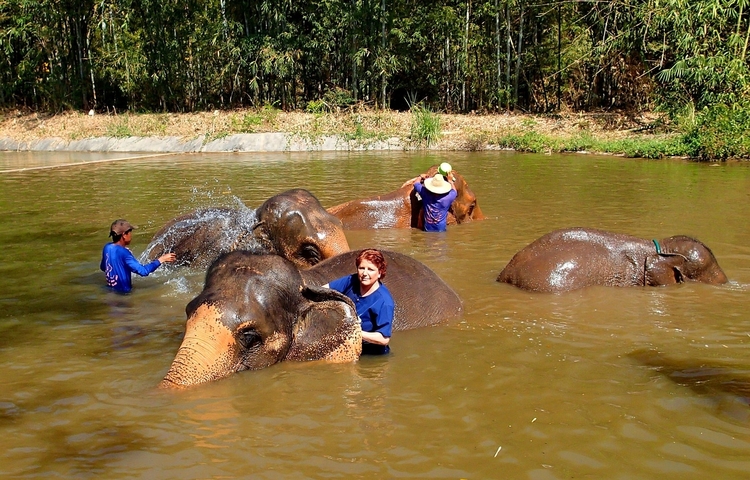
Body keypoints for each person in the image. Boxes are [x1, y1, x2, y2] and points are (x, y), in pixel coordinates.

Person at [325, 249, 394, 355]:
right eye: (361, 268)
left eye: (370, 269)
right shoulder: (351, 281)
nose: (364, 273)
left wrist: (355, 332)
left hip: (371, 353)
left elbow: (383, 339)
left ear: (380, 273)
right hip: (346, 342)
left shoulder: (384, 302)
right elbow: (324, 290)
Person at [100, 219, 176, 293]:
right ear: (124, 235)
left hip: (110, 292)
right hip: (123, 296)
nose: (131, 235)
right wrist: (161, 259)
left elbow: (103, 267)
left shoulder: (107, 247)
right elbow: (143, 271)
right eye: (130, 232)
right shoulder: (124, 253)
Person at [404, 162, 458, 232]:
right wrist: (450, 181)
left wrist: (420, 176)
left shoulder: (425, 194)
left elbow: (416, 184)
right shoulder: (447, 198)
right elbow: (454, 191)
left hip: (427, 230)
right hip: (441, 231)